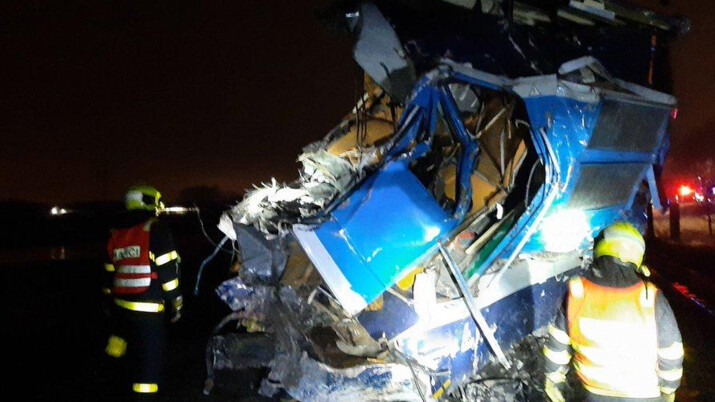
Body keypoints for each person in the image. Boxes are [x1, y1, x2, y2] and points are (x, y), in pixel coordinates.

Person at [544, 222, 683, 402]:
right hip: (643, 394)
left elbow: (558, 342)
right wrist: (668, 389)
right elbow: (671, 349)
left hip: (591, 394)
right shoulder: (650, 297)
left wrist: (554, 378)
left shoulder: (577, 292)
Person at [102, 185, 183, 400]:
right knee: (149, 360)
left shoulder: (116, 233)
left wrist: (109, 303)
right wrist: (176, 301)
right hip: (148, 311)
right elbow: (167, 273)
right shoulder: (156, 229)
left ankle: (110, 385)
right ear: (149, 202)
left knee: (119, 350)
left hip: (120, 309)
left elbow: (108, 273)